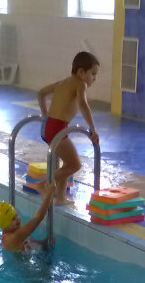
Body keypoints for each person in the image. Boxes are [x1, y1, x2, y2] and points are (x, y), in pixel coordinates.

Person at [37, 51, 101, 205]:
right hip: (57, 129)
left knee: (67, 163)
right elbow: (83, 105)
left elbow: (41, 93)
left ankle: (60, 197)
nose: (95, 78)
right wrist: (92, 128)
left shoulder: (62, 82)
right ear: (81, 72)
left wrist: (45, 114)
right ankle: (43, 184)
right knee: (74, 165)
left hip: (49, 126)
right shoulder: (80, 84)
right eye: (93, 73)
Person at [0, 182, 55, 252]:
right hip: (24, 259)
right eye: (13, 219)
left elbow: (26, 239)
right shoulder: (13, 237)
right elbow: (39, 217)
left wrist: (42, 242)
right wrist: (50, 194)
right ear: (4, 224)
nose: (18, 219)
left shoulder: (11, 231)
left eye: (16, 215)